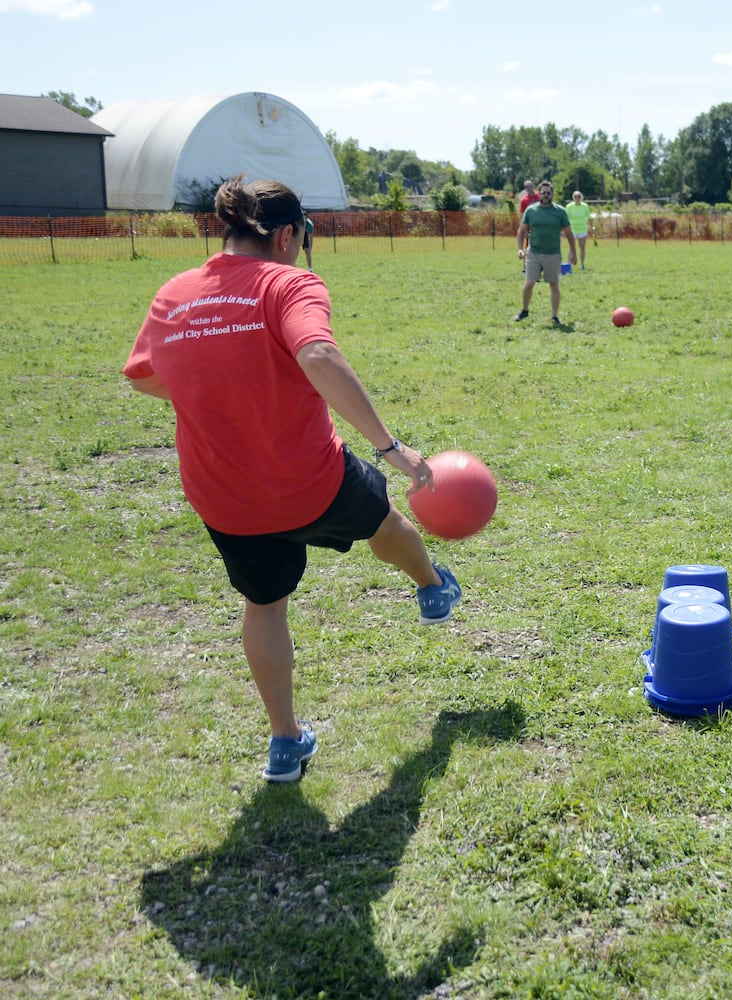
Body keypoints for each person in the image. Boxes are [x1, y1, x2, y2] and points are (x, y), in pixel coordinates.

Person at [123, 175, 462, 784]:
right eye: (303, 238)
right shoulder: (289, 282)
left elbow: (144, 376)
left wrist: (218, 384)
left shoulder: (174, 294)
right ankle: (433, 588)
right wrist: (390, 448)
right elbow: (318, 355)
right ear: (285, 235)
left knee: (264, 604)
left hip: (225, 496)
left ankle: (285, 742)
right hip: (309, 481)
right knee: (380, 516)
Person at [515, 180, 576, 325]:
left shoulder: (560, 211)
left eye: (549, 193)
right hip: (533, 252)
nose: (546, 195)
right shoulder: (531, 210)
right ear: (539, 194)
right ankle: (524, 310)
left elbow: (568, 233)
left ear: (552, 194)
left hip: (553, 254)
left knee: (554, 284)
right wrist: (519, 248)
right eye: (543, 193)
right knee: (529, 282)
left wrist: (573, 251)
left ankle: (555, 317)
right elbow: (522, 230)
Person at [565, 190, 593, 270]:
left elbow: (589, 217)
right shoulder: (569, 206)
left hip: (582, 229)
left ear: (581, 197)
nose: (577, 198)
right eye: (575, 196)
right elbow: (565, 218)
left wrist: (592, 227)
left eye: (579, 196)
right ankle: (569, 266)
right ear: (573, 198)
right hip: (572, 230)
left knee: (582, 247)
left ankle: (582, 264)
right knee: (571, 247)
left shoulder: (585, 206)